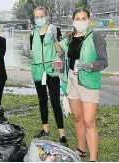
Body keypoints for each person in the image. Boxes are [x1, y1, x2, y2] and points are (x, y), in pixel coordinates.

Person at [59, 8, 108, 161]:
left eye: (83, 18)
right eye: (78, 19)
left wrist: (90, 65)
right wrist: (58, 65)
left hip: (89, 83)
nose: (81, 21)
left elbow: (104, 61)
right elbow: (61, 54)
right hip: (72, 82)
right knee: (78, 118)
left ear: (89, 19)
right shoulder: (70, 37)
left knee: (89, 121)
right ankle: (81, 149)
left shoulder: (95, 36)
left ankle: (93, 159)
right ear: (73, 21)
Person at [29, 7, 68, 146]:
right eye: (36, 16)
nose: (39, 18)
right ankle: (45, 128)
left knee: (55, 102)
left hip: (52, 70)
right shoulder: (32, 34)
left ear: (47, 17)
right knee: (42, 100)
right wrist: (27, 53)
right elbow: (32, 53)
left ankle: (62, 134)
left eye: (41, 16)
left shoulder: (54, 29)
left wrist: (55, 39)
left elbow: (61, 51)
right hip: (38, 71)